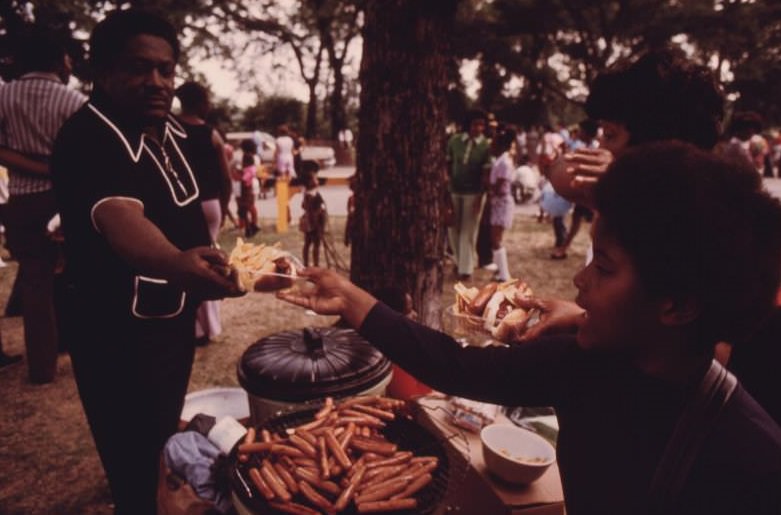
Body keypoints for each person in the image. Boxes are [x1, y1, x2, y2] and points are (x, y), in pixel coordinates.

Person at [281, 142, 781, 515]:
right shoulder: (580, 361)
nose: (579, 281)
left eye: (603, 268)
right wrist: (351, 299)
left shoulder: (750, 459)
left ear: (676, 307)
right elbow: (453, 365)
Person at [49, 10, 243, 514]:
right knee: (129, 452)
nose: (157, 82)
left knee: (158, 428)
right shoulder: (87, 137)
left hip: (166, 314)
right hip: (112, 327)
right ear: (103, 71)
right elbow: (119, 218)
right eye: (139, 68)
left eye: (167, 70)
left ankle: (156, 487)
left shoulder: (170, 129)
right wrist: (177, 260)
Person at [0, 26, 87, 383]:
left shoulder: (4, 96)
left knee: (35, 284)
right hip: (67, 200)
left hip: (22, 200)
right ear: (57, 60)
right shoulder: (75, 101)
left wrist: (33, 164)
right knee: (80, 280)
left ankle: (42, 368)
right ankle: (85, 353)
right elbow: (86, 157)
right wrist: (54, 167)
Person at [175, 81, 232, 345]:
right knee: (210, 259)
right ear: (200, 103)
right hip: (209, 204)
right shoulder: (211, 134)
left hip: (180, 204)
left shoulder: (169, 129)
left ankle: (195, 326)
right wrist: (225, 205)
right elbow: (225, 179)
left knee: (184, 259)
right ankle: (210, 325)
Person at [446, 110, 492, 280]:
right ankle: (458, 263)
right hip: (454, 191)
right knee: (452, 229)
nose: (478, 128)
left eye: (481, 124)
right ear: (468, 125)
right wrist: (446, 192)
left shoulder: (486, 146)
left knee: (468, 230)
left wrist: (480, 198)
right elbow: (447, 166)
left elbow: (486, 175)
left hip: (474, 193)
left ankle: (465, 271)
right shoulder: (455, 141)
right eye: (475, 124)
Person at [487, 129, 516, 281]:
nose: (490, 146)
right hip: (498, 202)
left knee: (496, 238)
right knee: (495, 238)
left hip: (502, 202)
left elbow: (500, 185)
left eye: (493, 143)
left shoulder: (504, 162)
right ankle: (499, 271)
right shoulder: (499, 160)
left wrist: (489, 190)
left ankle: (504, 274)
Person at [300, 165, 327, 267]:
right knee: (312, 243)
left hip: (313, 221)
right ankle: (311, 264)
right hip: (313, 223)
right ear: (310, 182)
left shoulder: (312, 193)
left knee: (311, 244)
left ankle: (312, 264)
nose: (317, 180)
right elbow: (311, 209)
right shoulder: (310, 195)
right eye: (315, 178)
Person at [239, 141, 260, 237]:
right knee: (251, 206)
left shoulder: (247, 157)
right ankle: (253, 225)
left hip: (247, 186)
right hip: (253, 183)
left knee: (245, 207)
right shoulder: (255, 158)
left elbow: (244, 177)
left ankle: (250, 227)